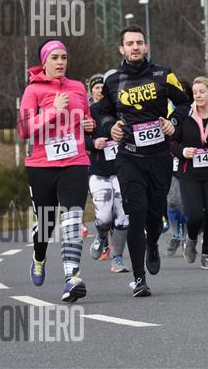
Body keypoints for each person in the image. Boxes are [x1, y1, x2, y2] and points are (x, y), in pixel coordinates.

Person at [98, 25, 188, 297]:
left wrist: (173, 123)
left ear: (146, 46)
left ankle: (153, 244)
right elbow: (103, 113)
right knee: (135, 215)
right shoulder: (113, 80)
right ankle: (139, 278)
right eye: (130, 43)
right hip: (129, 158)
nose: (135, 47)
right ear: (122, 49)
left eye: (139, 42)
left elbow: (184, 104)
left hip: (159, 157)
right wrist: (110, 126)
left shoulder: (163, 74)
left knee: (153, 216)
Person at [18, 40, 94, 302]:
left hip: (75, 161)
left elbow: (87, 118)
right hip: (42, 165)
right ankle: (39, 257)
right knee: (46, 223)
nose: (61, 62)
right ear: (44, 62)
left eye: (64, 57)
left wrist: (90, 123)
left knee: (72, 218)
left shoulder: (78, 87)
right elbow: (24, 129)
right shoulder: (33, 90)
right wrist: (52, 111)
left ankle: (72, 277)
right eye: (55, 58)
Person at [170, 77, 208, 269]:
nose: (197, 95)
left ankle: (207, 255)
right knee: (195, 215)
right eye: (195, 92)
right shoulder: (184, 115)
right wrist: (183, 151)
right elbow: (171, 143)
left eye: (202, 92)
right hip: (189, 173)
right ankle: (191, 240)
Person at [85, 72, 129, 273]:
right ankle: (102, 235)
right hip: (99, 171)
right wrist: (93, 143)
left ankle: (117, 258)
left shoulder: (126, 110)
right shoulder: (91, 111)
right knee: (104, 217)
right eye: (99, 88)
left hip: (123, 170)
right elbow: (76, 138)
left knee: (123, 216)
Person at [166, 80, 192, 257]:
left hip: (188, 158)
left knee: (185, 203)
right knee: (171, 200)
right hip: (169, 158)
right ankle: (176, 234)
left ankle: (186, 236)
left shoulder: (192, 110)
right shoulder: (166, 107)